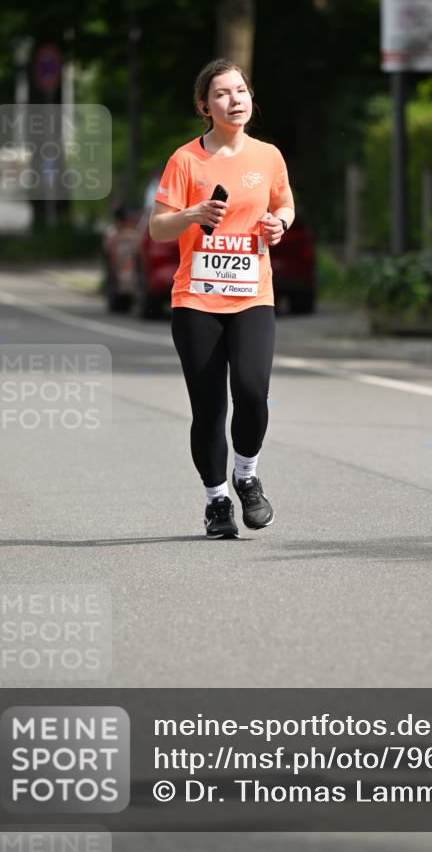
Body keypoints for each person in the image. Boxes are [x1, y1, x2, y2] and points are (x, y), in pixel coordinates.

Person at [149, 58, 295, 539]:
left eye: (241, 90)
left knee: (252, 392)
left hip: (253, 295)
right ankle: (216, 503)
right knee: (209, 409)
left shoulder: (269, 155)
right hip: (197, 300)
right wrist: (192, 213)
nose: (235, 100)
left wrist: (282, 223)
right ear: (204, 107)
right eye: (223, 94)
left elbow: (284, 202)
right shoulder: (186, 160)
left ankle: (246, 475)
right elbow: (157, 226)